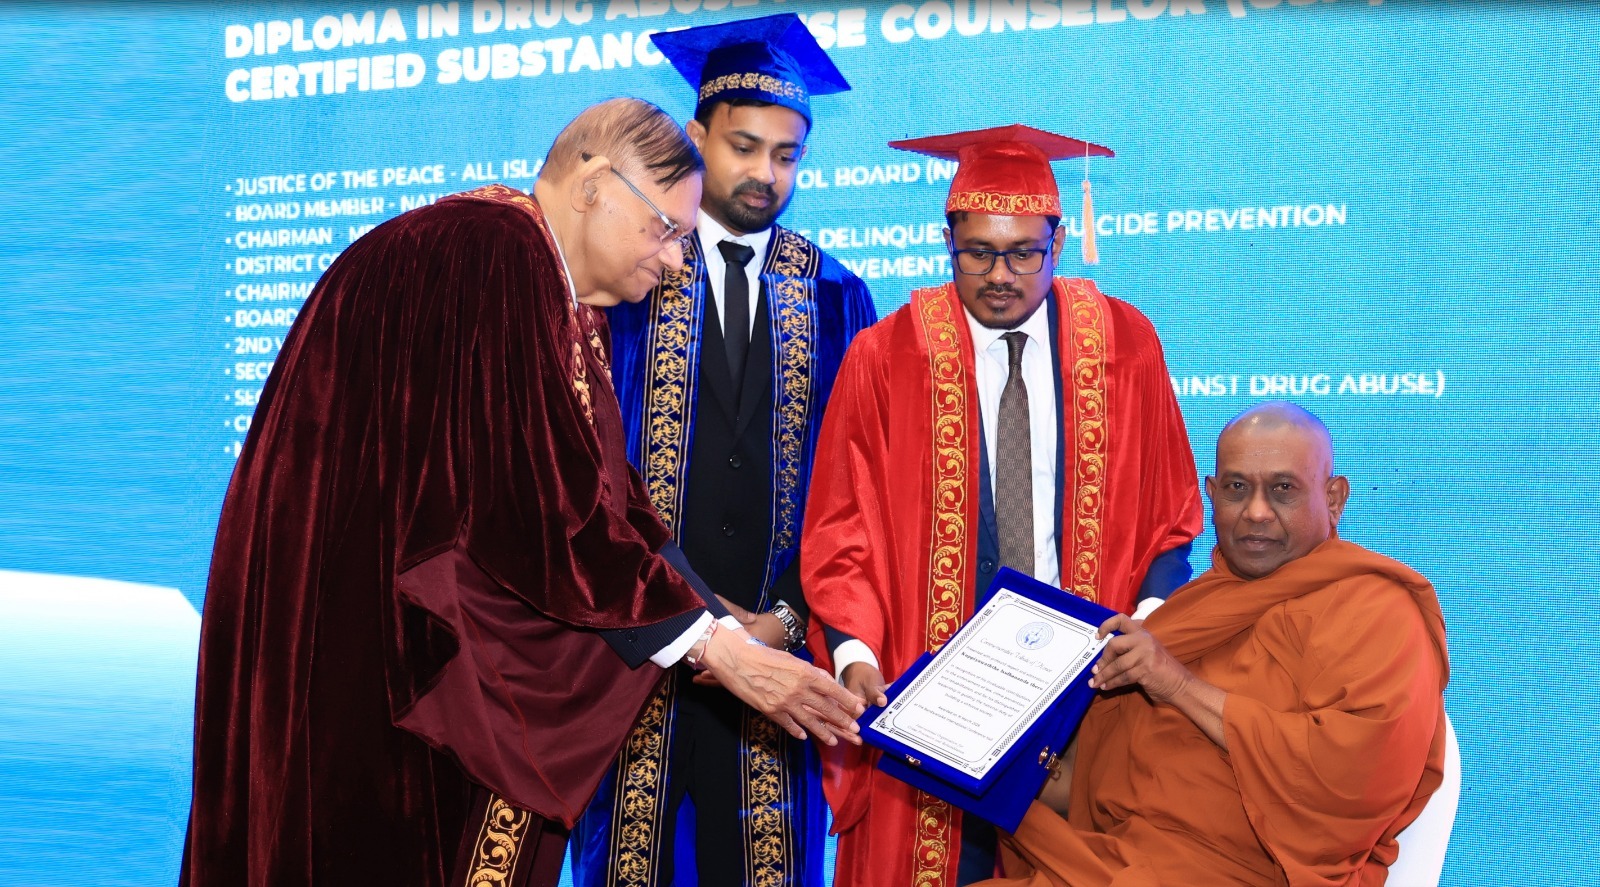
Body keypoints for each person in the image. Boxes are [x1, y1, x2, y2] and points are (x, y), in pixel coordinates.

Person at [179, 97, 863, 887]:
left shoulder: (555, 292)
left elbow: (613, 503)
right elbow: (537, 510)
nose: (678, 260)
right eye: (665, 230)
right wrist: (717, 646)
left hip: (396, 636)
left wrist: (719, 624)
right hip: (372, 655)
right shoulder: (490, 252)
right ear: (595, 185)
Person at [802, 124, 1203, 887]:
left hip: (1082, 692)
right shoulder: (886, 356)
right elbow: (839, 531)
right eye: (978, 252)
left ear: (1059, 242)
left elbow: (1169, 514)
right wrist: (855, 657)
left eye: (1024, 254)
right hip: (931, 692)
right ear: (945, 241)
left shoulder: (1125, 344)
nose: (1000, 275)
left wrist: (1147, 628)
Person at [570, 16, 877, 887]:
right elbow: (586, 476)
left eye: (786, 155)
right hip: (639, 651)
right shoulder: (627, 277)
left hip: (777, 660)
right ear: (696, 136)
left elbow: (853, 493)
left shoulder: (836, 294)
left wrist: (788, 618)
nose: (765, 174)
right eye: (744, 147)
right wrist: (692, 618)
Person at [983, 401, 1451, 887]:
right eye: (1236, 488)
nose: (1256, 512)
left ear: (1334, 498)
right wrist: (981, 742)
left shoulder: (1377, 609)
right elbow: (1088, 788)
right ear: (1211, 494)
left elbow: (1355, 781)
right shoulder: (1191, 611)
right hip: (1115, 862)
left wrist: (1180, 687)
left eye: (1283, 489)